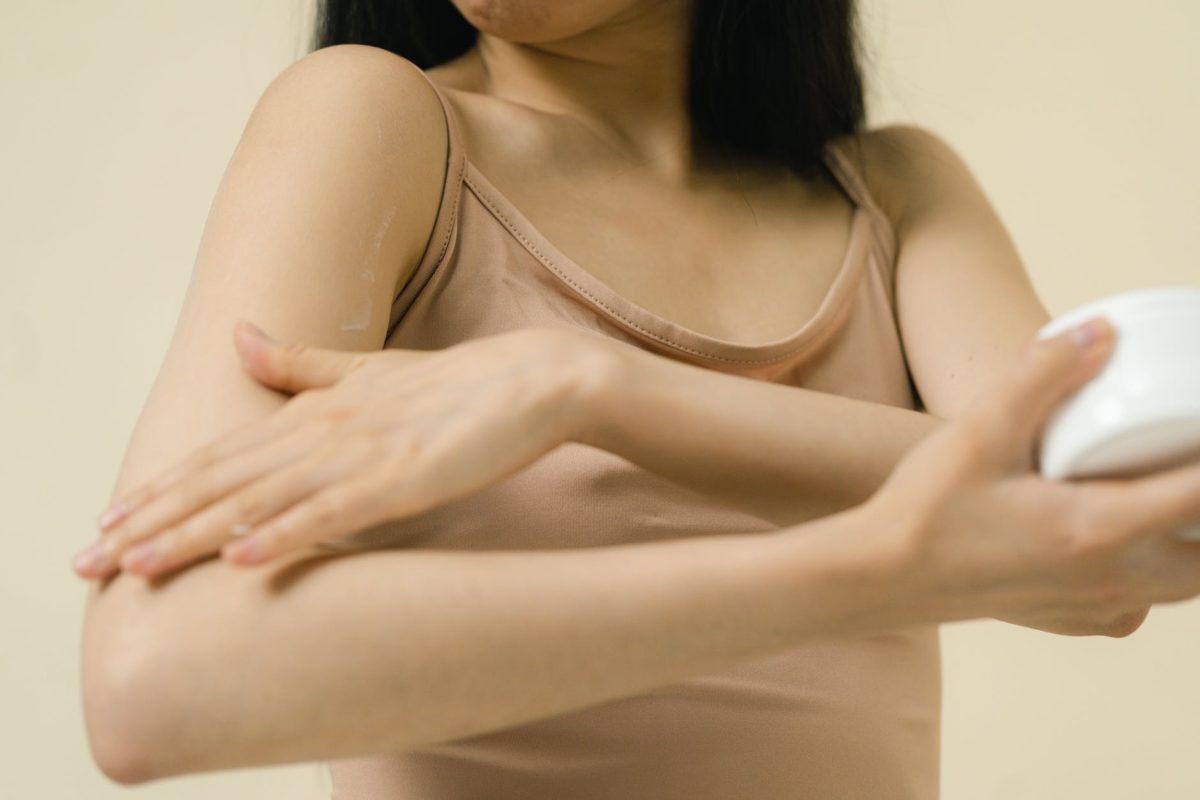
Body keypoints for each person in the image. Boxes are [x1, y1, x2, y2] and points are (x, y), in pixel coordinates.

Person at [74, 1, 1200, 796]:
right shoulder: (375, 119)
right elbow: (152, 684)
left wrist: (593, 388)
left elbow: (1112, 538)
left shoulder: (896, 193)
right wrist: (873, 562)